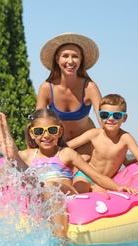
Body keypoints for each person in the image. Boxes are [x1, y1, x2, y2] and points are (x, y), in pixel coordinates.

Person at [0, 108, 138, 239]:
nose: (46, 135)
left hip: (65, 191)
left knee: (49, 184)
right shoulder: (28, 155)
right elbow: (6, 171)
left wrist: (118, 187)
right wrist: (2, 178)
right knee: (27, 177)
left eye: (52, 130)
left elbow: (97, 176)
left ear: (60, 132)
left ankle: (61, 241)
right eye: (39, 131)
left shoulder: (66, 153)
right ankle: (10, 155)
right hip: (38, 192)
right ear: (32, 134)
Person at [67, 94, 138, 193]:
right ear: (100, 117)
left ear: (124, 118)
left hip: (106, 180)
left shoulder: (125, 138)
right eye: (105, 115)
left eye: (116, 115)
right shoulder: (94, 134)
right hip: (85, 175)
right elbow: (67, 146)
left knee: (99, 197)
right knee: (80, 192)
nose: (110, 119)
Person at [36, 33, 102, 161]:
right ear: (57, 59)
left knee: (77, 168)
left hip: (85, 145)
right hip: (57, 145)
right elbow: (37, 124)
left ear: (81, 59)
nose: (70, 61)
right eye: (65, 56)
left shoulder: (90, 87)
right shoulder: (46, 88)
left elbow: (105, 124)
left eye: (75, 56)